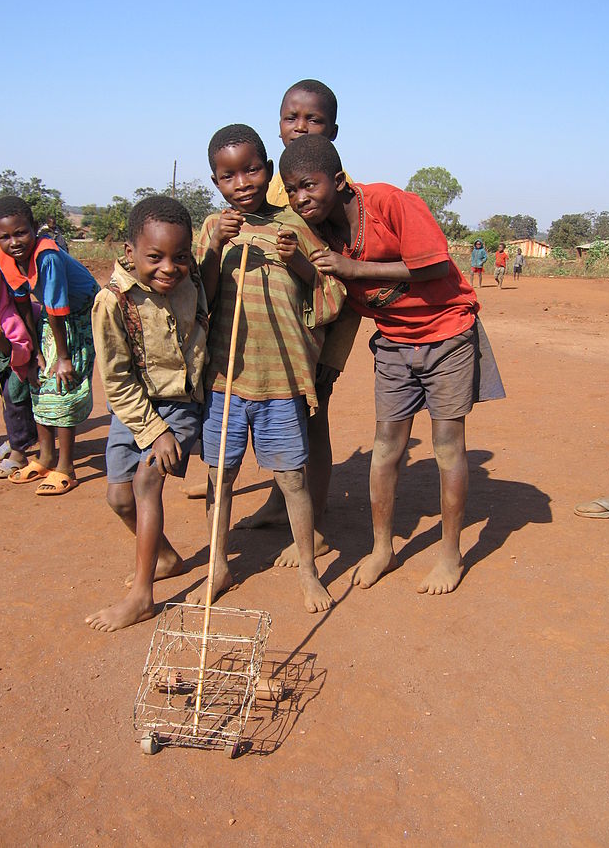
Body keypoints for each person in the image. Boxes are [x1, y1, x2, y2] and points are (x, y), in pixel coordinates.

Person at [279, 135, 505, 595]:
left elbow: (436, 267)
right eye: (292, 190)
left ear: (339, 181)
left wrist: (355, 269)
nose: (301, 198)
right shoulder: (318, 230)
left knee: (447, 447)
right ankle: (382, 548)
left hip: (447, 335)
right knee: (385, 447)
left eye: (309, 185)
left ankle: (450, 555)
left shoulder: (391, 203)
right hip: (394, 344)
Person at [189, 124, 345, 614]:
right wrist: (215, 248)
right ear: (216, 182)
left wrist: (298, 262)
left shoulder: (294, 225)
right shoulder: (213, 229)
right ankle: (219, 565)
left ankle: (308, 570)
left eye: (252, 169)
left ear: (268, 169)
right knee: (222, 477)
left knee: (292, 479)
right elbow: (199, 301)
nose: (242, 182)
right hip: (226, 381)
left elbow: (330, 296)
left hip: (280, 380)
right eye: (228, 175)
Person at [233, 79, 361, 569]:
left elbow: (347, 284)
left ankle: (320, 524)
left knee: (314, 421)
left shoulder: (327, 187)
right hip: (273, 332)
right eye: (292, 117)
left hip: (317, 332)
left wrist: (333, 355)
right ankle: (277, 505)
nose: (301, 126)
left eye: (314, 119)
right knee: (284, 424)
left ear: (334, 129)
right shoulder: (266, 182)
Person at [86, 196, 208, 632]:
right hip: (134, 408)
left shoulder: (193, 281)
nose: (168, 268)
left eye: (179, 256)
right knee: (118, 499)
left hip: (180, 403)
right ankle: (168, 558)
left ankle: (141, 597)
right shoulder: (112, 302)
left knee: (146, 480)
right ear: (129, 252)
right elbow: (117, 383)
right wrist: (153, 430)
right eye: (154, 257)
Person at [0, 196, 99, 495]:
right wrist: (37, 351)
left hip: (80, 314)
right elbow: (24, 302)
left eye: (21, 233)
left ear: (35, 229)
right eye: (5, 237)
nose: (14, 242)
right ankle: (46, 456)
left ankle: (66, 466)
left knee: (65, 382)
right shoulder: (6, 257)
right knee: (39, 380)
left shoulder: (47, 257)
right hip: (51, 317)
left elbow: (57, 308)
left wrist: (63, 357)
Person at [0, 243, 37, 478]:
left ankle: (19, 452)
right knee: (7, 402)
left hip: (18, 361)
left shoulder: (7, 312)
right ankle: (15, 438)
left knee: (16, 400)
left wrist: (4, 344)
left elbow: (24, 347)